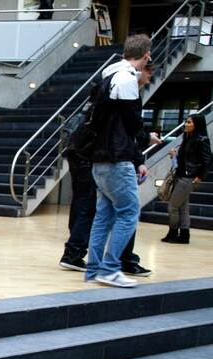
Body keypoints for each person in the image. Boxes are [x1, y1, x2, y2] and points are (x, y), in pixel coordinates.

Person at [86, 34, 151, 288]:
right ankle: (110, 268)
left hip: (100, 159)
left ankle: (94, 269)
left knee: (104, 216)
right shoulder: (126, 79)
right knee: (129, 213)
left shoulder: (108, 77)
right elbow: (132, 123)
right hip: (116, 159)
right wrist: (141, 146)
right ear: (146, 55)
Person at [164, 114, 211, 244]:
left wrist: (200, 176)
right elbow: (184, 159)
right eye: (186, 122)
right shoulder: (187, 138)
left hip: (188, 177)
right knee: (183, 208)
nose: (186, 124)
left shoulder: (202, 139)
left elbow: (207, 160)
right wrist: (174, 155)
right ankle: (184, 235)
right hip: (180, 175)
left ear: (197, 124)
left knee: (172, 207)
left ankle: (173, 232)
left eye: (189, 122)